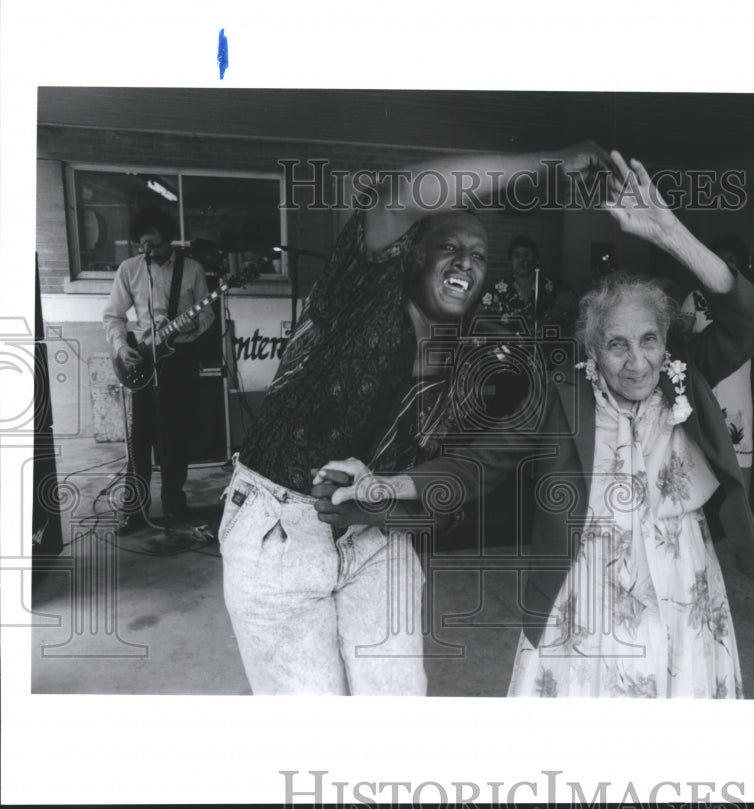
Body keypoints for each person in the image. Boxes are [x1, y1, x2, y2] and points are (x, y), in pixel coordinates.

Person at [316, 151, 754, 698]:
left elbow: (753, 321)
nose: (637, 362)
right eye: (617, 345)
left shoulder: (686, 375)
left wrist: (671, 233)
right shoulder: (562, 396)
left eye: (649, 340)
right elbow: (479, 462)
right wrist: (391, 483)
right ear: (593, 351)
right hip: (587, 580)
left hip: (681, 572)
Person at [218, 142, 613, 695]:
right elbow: (401, 197)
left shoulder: (467, 360)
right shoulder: (359, 293)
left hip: (376, 532)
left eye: (478, 255)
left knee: (398, 703)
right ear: (411, 256)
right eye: (448, 246)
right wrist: (548, 165)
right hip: (280, 526)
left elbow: (443, 494)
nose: (466, 262)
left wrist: (386, 502)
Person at [103, 208, 215, 536]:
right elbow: (113, 315)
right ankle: (134, 508)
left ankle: (173, 502)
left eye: (153, 240)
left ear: (166, 236)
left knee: (175, 435)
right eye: (142, 242)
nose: (147, 248)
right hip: (142, 358)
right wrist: (123, 348)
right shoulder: (129, 270)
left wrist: (191, 329)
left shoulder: (192, 269)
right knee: (140, 439)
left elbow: (206, 314)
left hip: (179, 359)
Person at [681, 235, 754, 539]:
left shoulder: (748, 300)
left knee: (740, 446)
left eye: (733, 262)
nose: (726, 267)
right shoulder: (695, 297)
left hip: (736, 381)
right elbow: (681, 337)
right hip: (704, 377)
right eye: (721, 260)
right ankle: (697, 515)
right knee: (699, 446)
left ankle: (745, 517)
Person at [478, 235, 575, 334]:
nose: (521, 260)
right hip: (507, 347)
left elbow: (558, 318)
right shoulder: (499, 287)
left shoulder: (547, 286)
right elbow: (477, 316)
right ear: (511, 260)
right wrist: (502, 332)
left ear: (535, 259)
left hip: (541, 347)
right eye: (516, 256)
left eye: (526, 255)